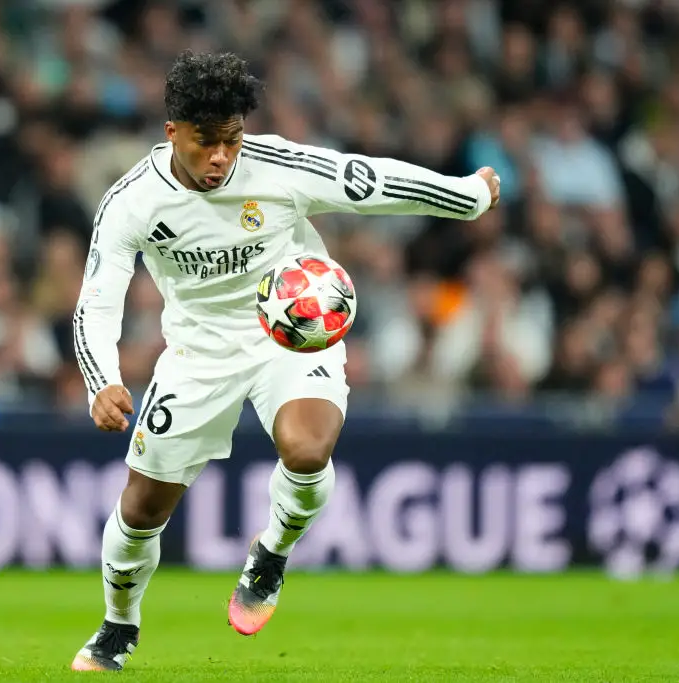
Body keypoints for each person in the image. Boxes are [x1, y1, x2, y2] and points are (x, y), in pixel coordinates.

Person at [71, 50, 501, 672]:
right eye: (205, 142)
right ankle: (118, 623)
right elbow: (97, 299)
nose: (222, 156)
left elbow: (370, 182)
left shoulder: (276, 165)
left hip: (290, 335)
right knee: (141, 510)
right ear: (172, 134)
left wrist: (467, 197)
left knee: (306, 450)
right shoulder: (132, 202)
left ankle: (271, 552)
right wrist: (102, 380)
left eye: (232, 139)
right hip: (197, 353)